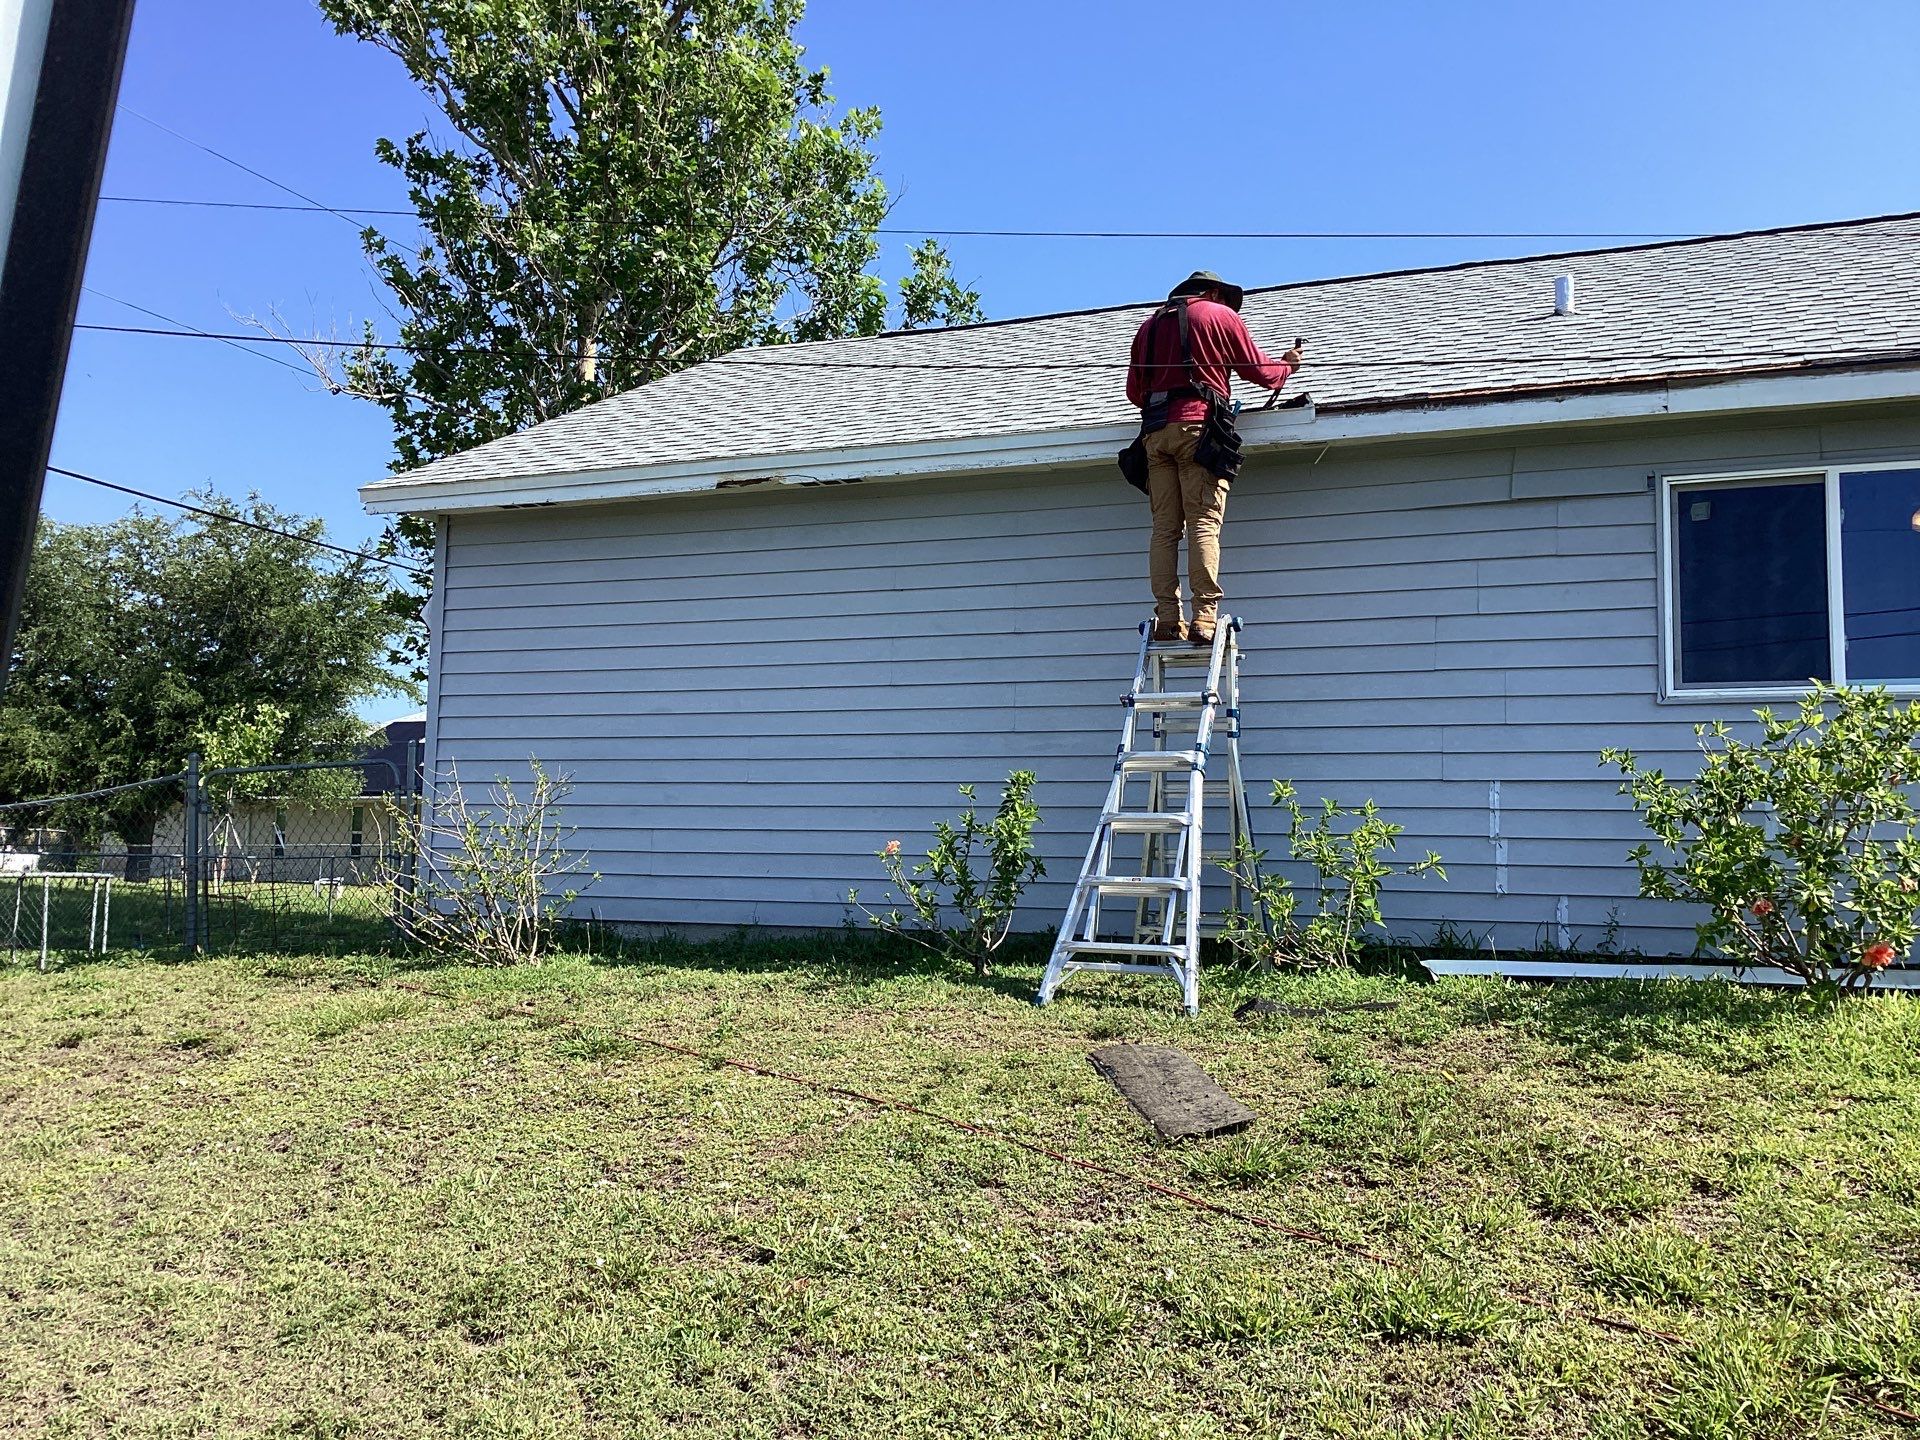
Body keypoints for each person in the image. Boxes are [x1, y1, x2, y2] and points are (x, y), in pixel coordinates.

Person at [1125, 271, 1301, 645]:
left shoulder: (1148, 328)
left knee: (1166, 529)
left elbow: (1135, 393)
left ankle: (1169, 619)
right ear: (1211, 292)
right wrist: (1287, 366)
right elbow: (1259, 371)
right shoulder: (1219, 316)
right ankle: (1205, 618)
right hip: (1198, 433)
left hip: (1155, 435)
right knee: (1204, 522)